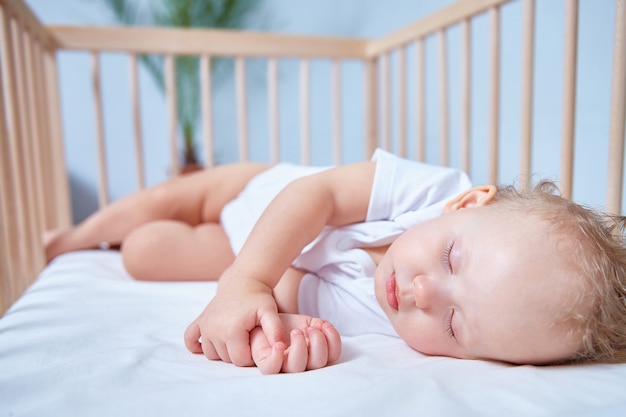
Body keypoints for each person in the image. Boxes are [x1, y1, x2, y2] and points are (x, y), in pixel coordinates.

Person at [44, 149, 626, 374]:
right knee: (170, 198)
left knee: (144, 253)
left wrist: (289, 329)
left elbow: (298, 290)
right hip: (265, 200)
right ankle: (75, 237)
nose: (424, 294)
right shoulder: (432, 191)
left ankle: (116, 241)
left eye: (454, 324)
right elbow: (314, 198)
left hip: (236, 252)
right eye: (451, 257)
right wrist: (247, 280)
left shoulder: (390, 324)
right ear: (469, 203)